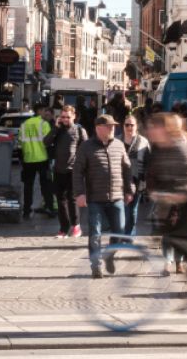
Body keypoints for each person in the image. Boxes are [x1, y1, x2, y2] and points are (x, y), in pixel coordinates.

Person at [144, 112, 187, 278]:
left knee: (177, 238)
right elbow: (158, 175)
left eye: (154, 128)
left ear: (164, 129)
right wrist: (157, 193)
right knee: (167, 234)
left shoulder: (181, 147)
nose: (150, 131)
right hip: (173, 200)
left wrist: (181, 194)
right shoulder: (161, 149)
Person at [74, 113, 129, 278]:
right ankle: (95, 265)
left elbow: (127, 169)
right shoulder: (86, 146)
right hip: (95, 198)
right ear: (99, 128)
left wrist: (130, 189)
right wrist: (80, 193)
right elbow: (77, 172)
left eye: (114, 126)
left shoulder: (119, 145)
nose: (113, 128)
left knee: (119, 232)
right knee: (95, 233)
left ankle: (109, 255)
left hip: (117, 197)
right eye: (109, 126)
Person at [49, 105, 87, 238]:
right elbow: (45, 142)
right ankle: (63, 228)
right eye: (63, 117)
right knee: (60, 201)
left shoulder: (79, 130)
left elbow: (86, 149)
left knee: (72, 199)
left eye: (68, 117)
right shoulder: (58, 129)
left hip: (73, 170)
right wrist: (55, 128)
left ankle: (76, 226)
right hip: (59, 169)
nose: (65, 119)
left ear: (74, 116)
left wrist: (83, 168)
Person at [18, 103, 54, 220]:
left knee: (28, 186)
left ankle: (26, 211)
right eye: (44, 110)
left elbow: (19, 144)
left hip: (28, 159)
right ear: (39, 111)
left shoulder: (24, 125)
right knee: (46, 185)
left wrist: (22, 159)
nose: (46, 113)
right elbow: (49, 143)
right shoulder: (44, 124)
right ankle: (49, 207)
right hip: (42, 159)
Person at [121, 115, 152, 236]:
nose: (129, 127)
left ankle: (130, 233)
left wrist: (147, 180)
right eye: (126, 125)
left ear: (136, 126)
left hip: (137, 180)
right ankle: (122, 232)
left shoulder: (143, 142)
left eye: (131, 125)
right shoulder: (117, 140)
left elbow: (148, 161)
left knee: (132, 210)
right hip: (119, 180)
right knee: (122, 208)